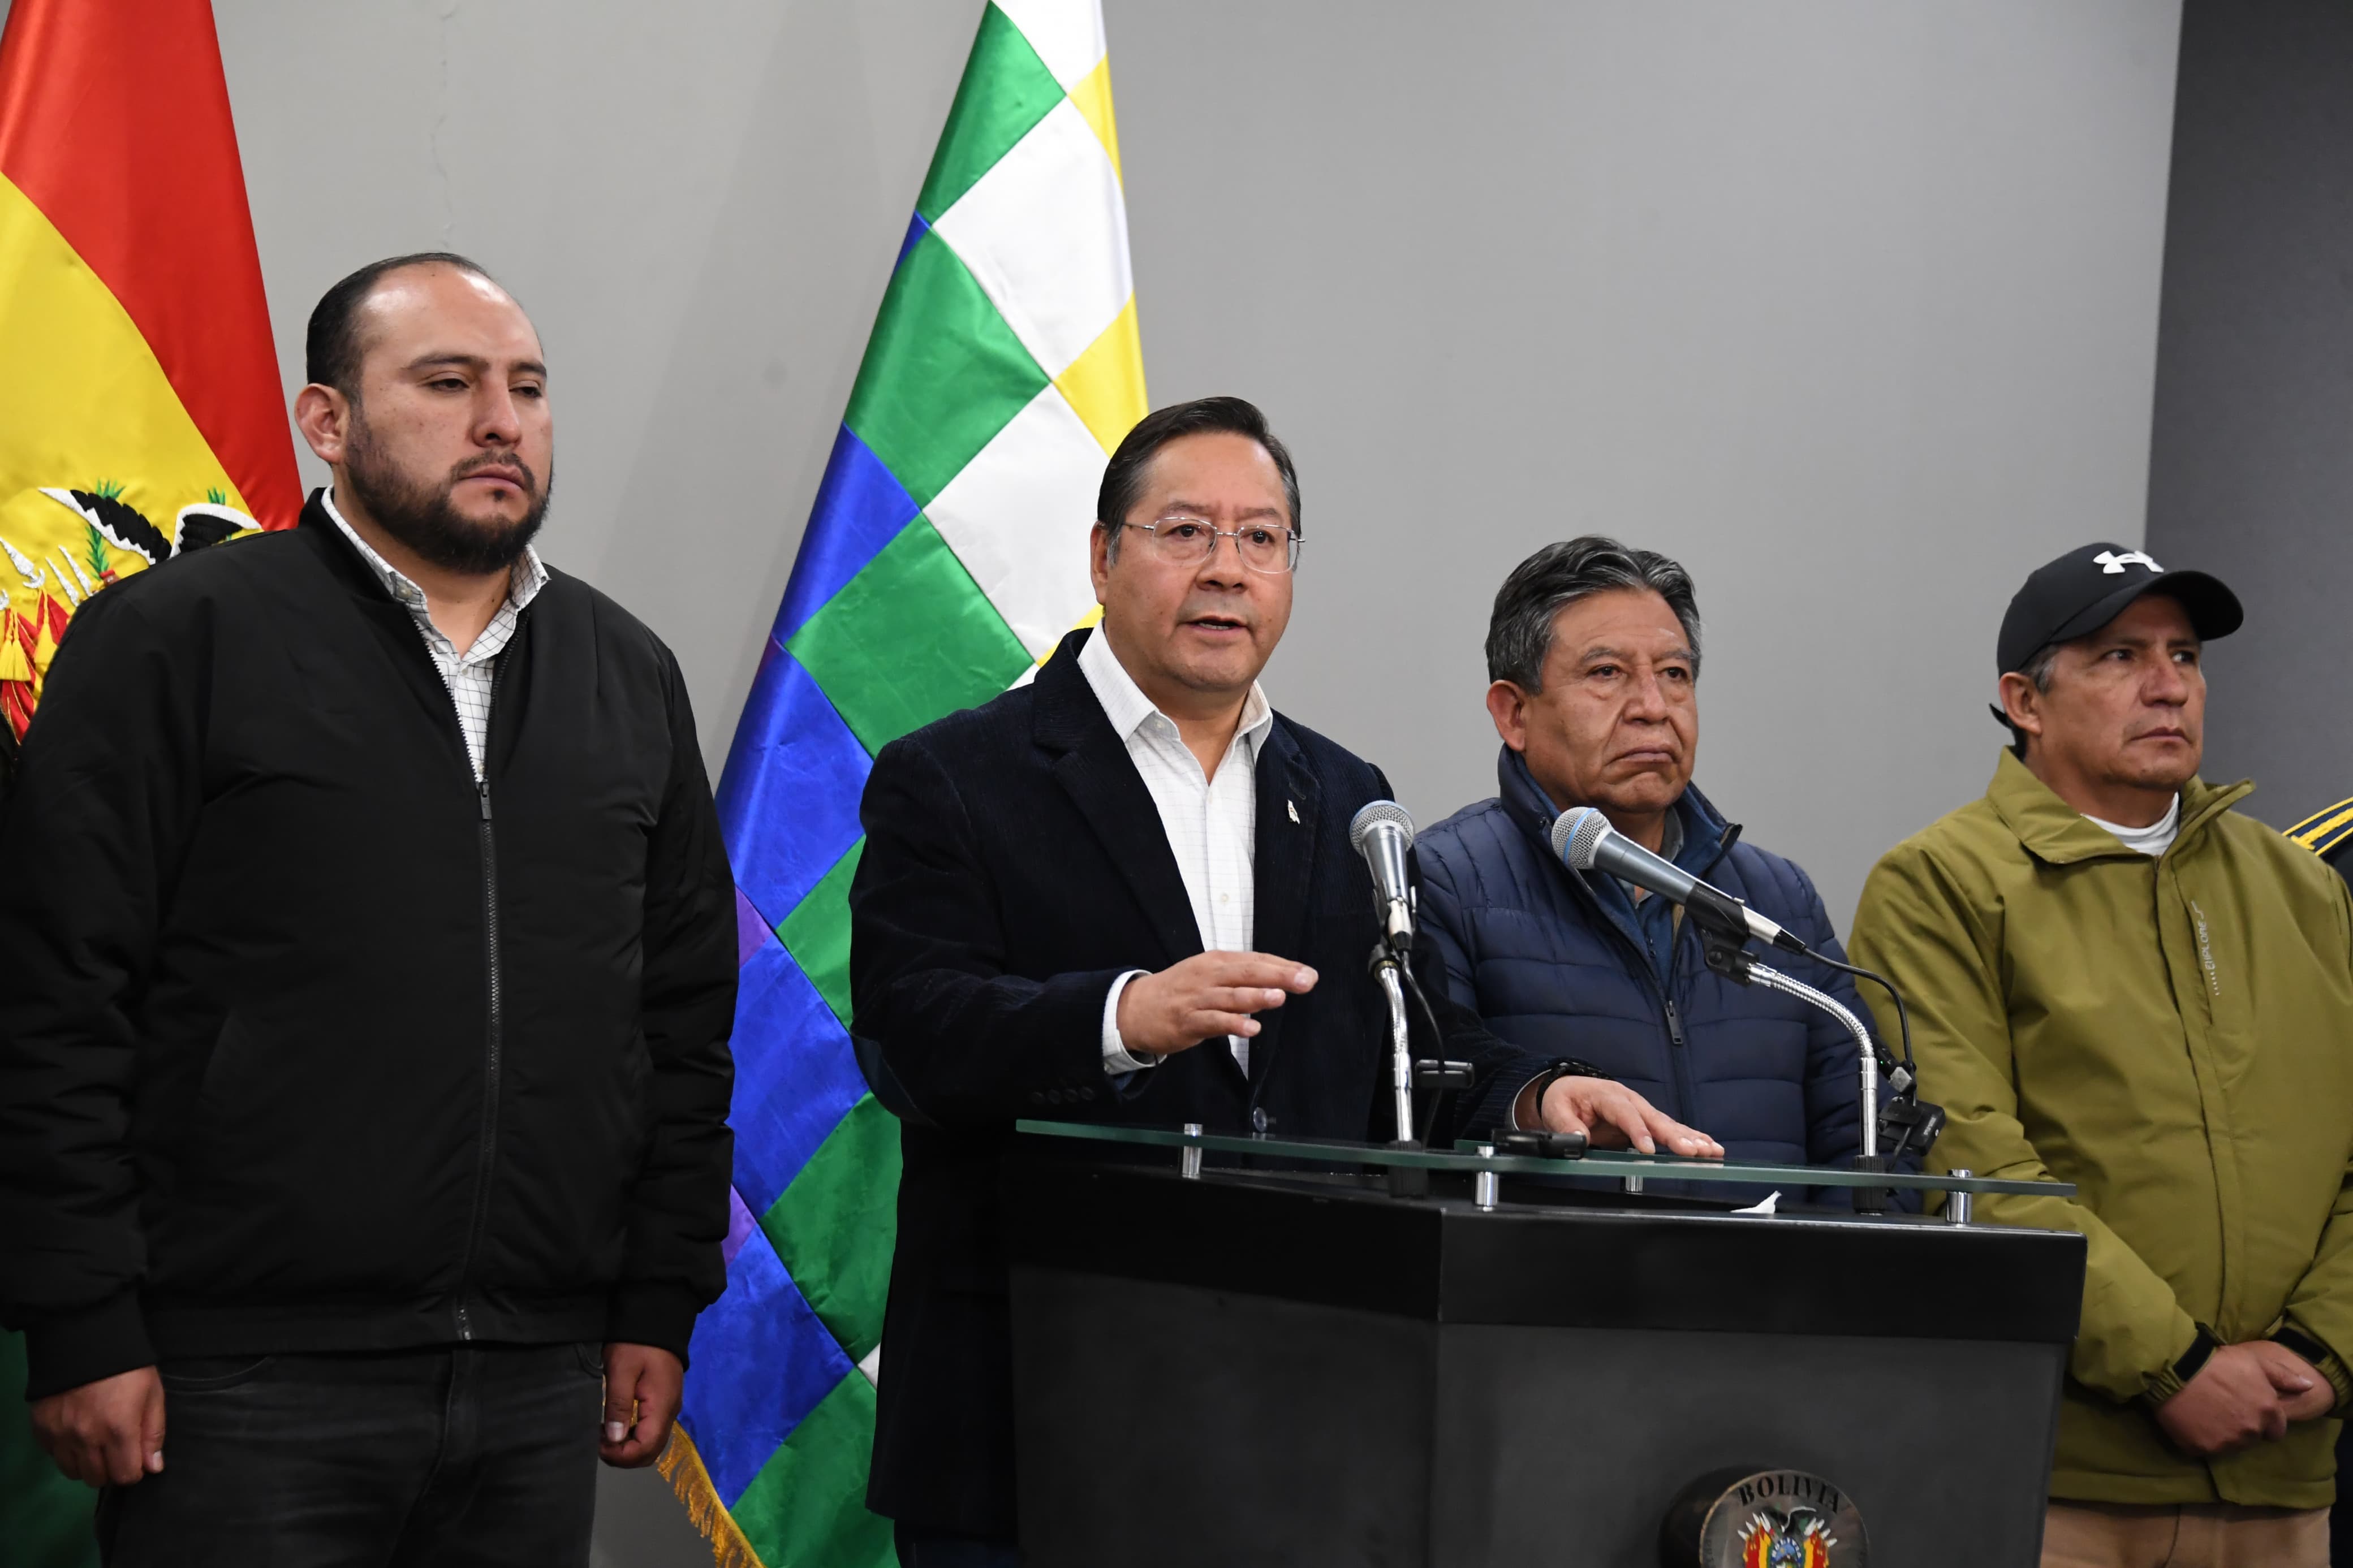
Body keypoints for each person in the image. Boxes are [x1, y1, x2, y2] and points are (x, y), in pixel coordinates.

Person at [849, 398, 1716, 1564]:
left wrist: (1533, 1098)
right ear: (1104, 556)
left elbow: (1408, 1055)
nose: (1227, 569)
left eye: (1261, 539)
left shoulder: (1344, 789)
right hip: (1032, 1416)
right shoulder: (956, 776)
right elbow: (909, 1041)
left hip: (1291, 1421)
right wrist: (1121, 1017)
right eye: (1186, 533)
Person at [0, 253, 739, 1565]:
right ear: (325, 422)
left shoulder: (626, 672)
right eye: (447, 383)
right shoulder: (173, 640)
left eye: (527, 387)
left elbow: (680, 1023)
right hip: (235, 1383)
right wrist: (81, 1319)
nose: (501, 420)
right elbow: (56, 998)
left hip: (536, 1378)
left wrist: (656, 1301)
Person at [1849, 542, 2353, 1567]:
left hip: (2283, 1474)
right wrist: (2179, 1368)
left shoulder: (2301, 888)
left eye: (2185, 654)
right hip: (2060, 1476)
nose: (2169, 685)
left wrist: (2321, 1351)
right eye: (2121, 656)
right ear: (2023, 701)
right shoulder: (1941, 882)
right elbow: (1975, 1166)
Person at [1415, 538, 1897, 1198]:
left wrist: (1826, 1289)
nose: (1652, 706)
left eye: (1674, 674)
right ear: (1513, 712)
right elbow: (1431, 1114)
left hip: (1773, 1291)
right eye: (1607, 672)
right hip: (1549, 1292)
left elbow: (1865, 1140)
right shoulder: (1447, 879)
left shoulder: (1776, 899)